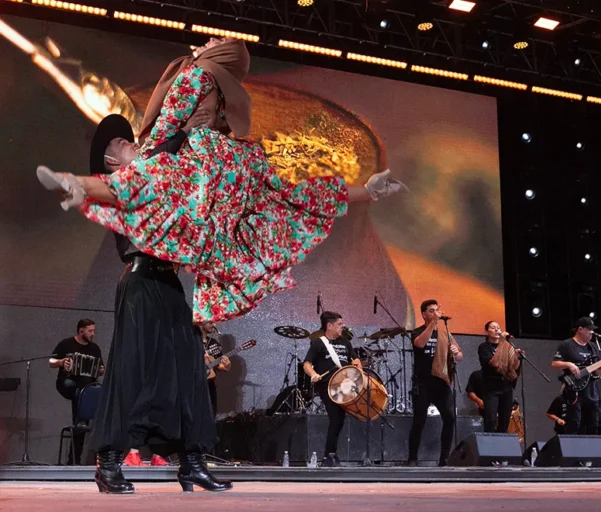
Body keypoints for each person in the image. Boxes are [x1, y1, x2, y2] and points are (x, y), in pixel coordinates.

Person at [36, 37, 406, 325]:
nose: (208, 42)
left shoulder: (206, 110)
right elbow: (292, 195)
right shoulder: (199, 138)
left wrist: (367, 190)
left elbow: (165, 129)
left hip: (180, 241)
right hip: (159, 264)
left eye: (215, 44)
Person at [82, 117, 229, 494]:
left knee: (189, 371)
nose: (131, 143)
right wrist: (181, 133)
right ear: (112, 162)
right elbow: (161, 155)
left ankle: (193, 463)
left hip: (168, 283)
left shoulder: (155, 182)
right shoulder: (116, 186)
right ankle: (109, 462)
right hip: (140, 282)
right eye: (121, 142)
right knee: (130, 371)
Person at [407, 299, 463, 467]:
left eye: (437, 310)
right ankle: (412, 457)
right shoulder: (417, 331)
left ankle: (444, 458)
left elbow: (460, 356)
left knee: (450, 417)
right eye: (431, 311)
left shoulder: (445, 332)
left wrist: (456, 352)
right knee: (419, 421)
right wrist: (432, 324)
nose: (435, 313)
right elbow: (420, 344)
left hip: (441, 382)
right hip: (423, 382)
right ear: (424, 314)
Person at [303, 311, 361, 467]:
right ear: (329, 325)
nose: (342, 327)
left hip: (345, 386)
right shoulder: (318, 343)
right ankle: (329, 456)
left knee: (339, 420)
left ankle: (331, 455)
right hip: (328, 386)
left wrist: (357, 367)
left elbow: (355, 359)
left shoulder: (345, 343)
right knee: (336, 419)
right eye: (339, 324)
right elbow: (307, 363)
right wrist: (314, 374)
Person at [551, 317, 601, 437]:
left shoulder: (594, 347)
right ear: (580, 329)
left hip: (591, 391)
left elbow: (600, 368)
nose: (592, 333)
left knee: (593, 424)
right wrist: (569, 364)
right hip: (574, 392)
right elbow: (555, 363)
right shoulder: (567, 344)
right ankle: (571, 453)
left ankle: (592, 454)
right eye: (589, 330)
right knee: (575, 423)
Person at [49, 319, 103, 465]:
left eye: (94, 331)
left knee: (94, 393)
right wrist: (61, 362)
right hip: (67, 383)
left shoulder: (94, 349)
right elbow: (51, 362)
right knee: (78, 392)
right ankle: (81, 419)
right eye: (90, 331)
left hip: (87, 386)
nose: (93, 334)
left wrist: (100, 370)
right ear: (81, 331)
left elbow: (101, 368)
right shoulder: (66, 344)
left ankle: (76, 459)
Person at [478, 321, 520, 433]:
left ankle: (501, 447)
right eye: (493, 328)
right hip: (491, 387)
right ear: (487, 332)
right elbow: (495, 363)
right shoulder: (484, 347)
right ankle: (488, 445)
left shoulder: (508, 346)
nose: (497, 330)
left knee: (505, 420)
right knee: (491, 420)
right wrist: (502, 342)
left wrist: (516, 357)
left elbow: (514, 367)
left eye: (498, 327)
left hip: (506, 386)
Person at [199, 321, 232, 417]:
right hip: (192, 386)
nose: (214, 325)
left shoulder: (213, 343)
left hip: (209, 386)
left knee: (210, 415)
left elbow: (219, 367)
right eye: (210, 322)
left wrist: (227, 366)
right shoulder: (189, 341)